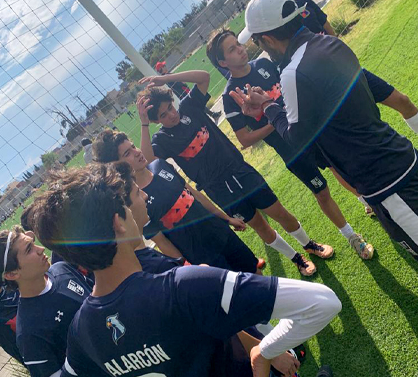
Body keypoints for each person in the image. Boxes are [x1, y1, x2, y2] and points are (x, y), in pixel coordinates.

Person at [34, 163, 342, 377]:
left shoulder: (81, 332)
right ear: (118, 221)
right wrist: (265, 351)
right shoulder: (183, 287)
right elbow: (324, 302)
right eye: (127, 204)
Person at [231, 0, 418, 261]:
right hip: (402, 154)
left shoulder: (293, 72)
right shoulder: (331, 44)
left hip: (386, 183)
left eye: (258, 42)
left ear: (269, 39)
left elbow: (297, 138)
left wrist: (268, 108)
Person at [136, 70, 334, 276]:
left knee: (280, 213)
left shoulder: (189, 107)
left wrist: (165, 79)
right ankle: (297, 258)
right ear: (156, 121)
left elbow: (204, 77)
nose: (171, 115)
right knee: (260, 226)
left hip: (241, 171)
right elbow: (148, 162)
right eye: (163, 115)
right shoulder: (162, 140)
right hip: (219, 189)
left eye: (170, 107)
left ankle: (309, 244)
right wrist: (143, 123)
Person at [206, 29, 373, 259]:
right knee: (322, 192)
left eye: (238, 44)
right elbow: (244, 139)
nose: (240, 49)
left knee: (339, 167)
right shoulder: (231, 96)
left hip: (309, 130)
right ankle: (352, 236)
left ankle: (366, 200)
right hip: (291, 150)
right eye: (232, 49)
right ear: (223, 62)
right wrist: (275, 119)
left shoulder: (264, 64)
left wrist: (278, 110)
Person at [251, 0, 418, 134]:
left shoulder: (305, 3)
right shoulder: (277, 43)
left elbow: (331, 34)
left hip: (348, 74)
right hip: (326, 95)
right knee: (366, 129)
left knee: (402, 101)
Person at [93, 130, 263, 273]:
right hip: (203, 259)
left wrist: (226, 218)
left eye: (133, 146)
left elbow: (195, 195)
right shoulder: (134, 202)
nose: (137, 152)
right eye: (127, 154)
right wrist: (186, 268)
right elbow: (162, 242)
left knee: (254, 272)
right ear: (115, 165)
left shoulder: (161, 166)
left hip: (222, 233)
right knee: (236, 299)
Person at [0, 226, 94, 377]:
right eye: (29, 249)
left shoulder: (62, 269)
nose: (41, 249)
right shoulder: (28, 333)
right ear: (12, 274)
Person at [155, 61, 222, 122]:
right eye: (163, 66)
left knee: (198, 103)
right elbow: (177, 84)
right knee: (197, 103)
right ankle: (211, 116)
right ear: (162, 68)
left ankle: (212, 115)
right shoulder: (167, 77)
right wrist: (182, 82)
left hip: (184, 91)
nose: (165, 67)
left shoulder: (166, 77)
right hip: (183, 93)